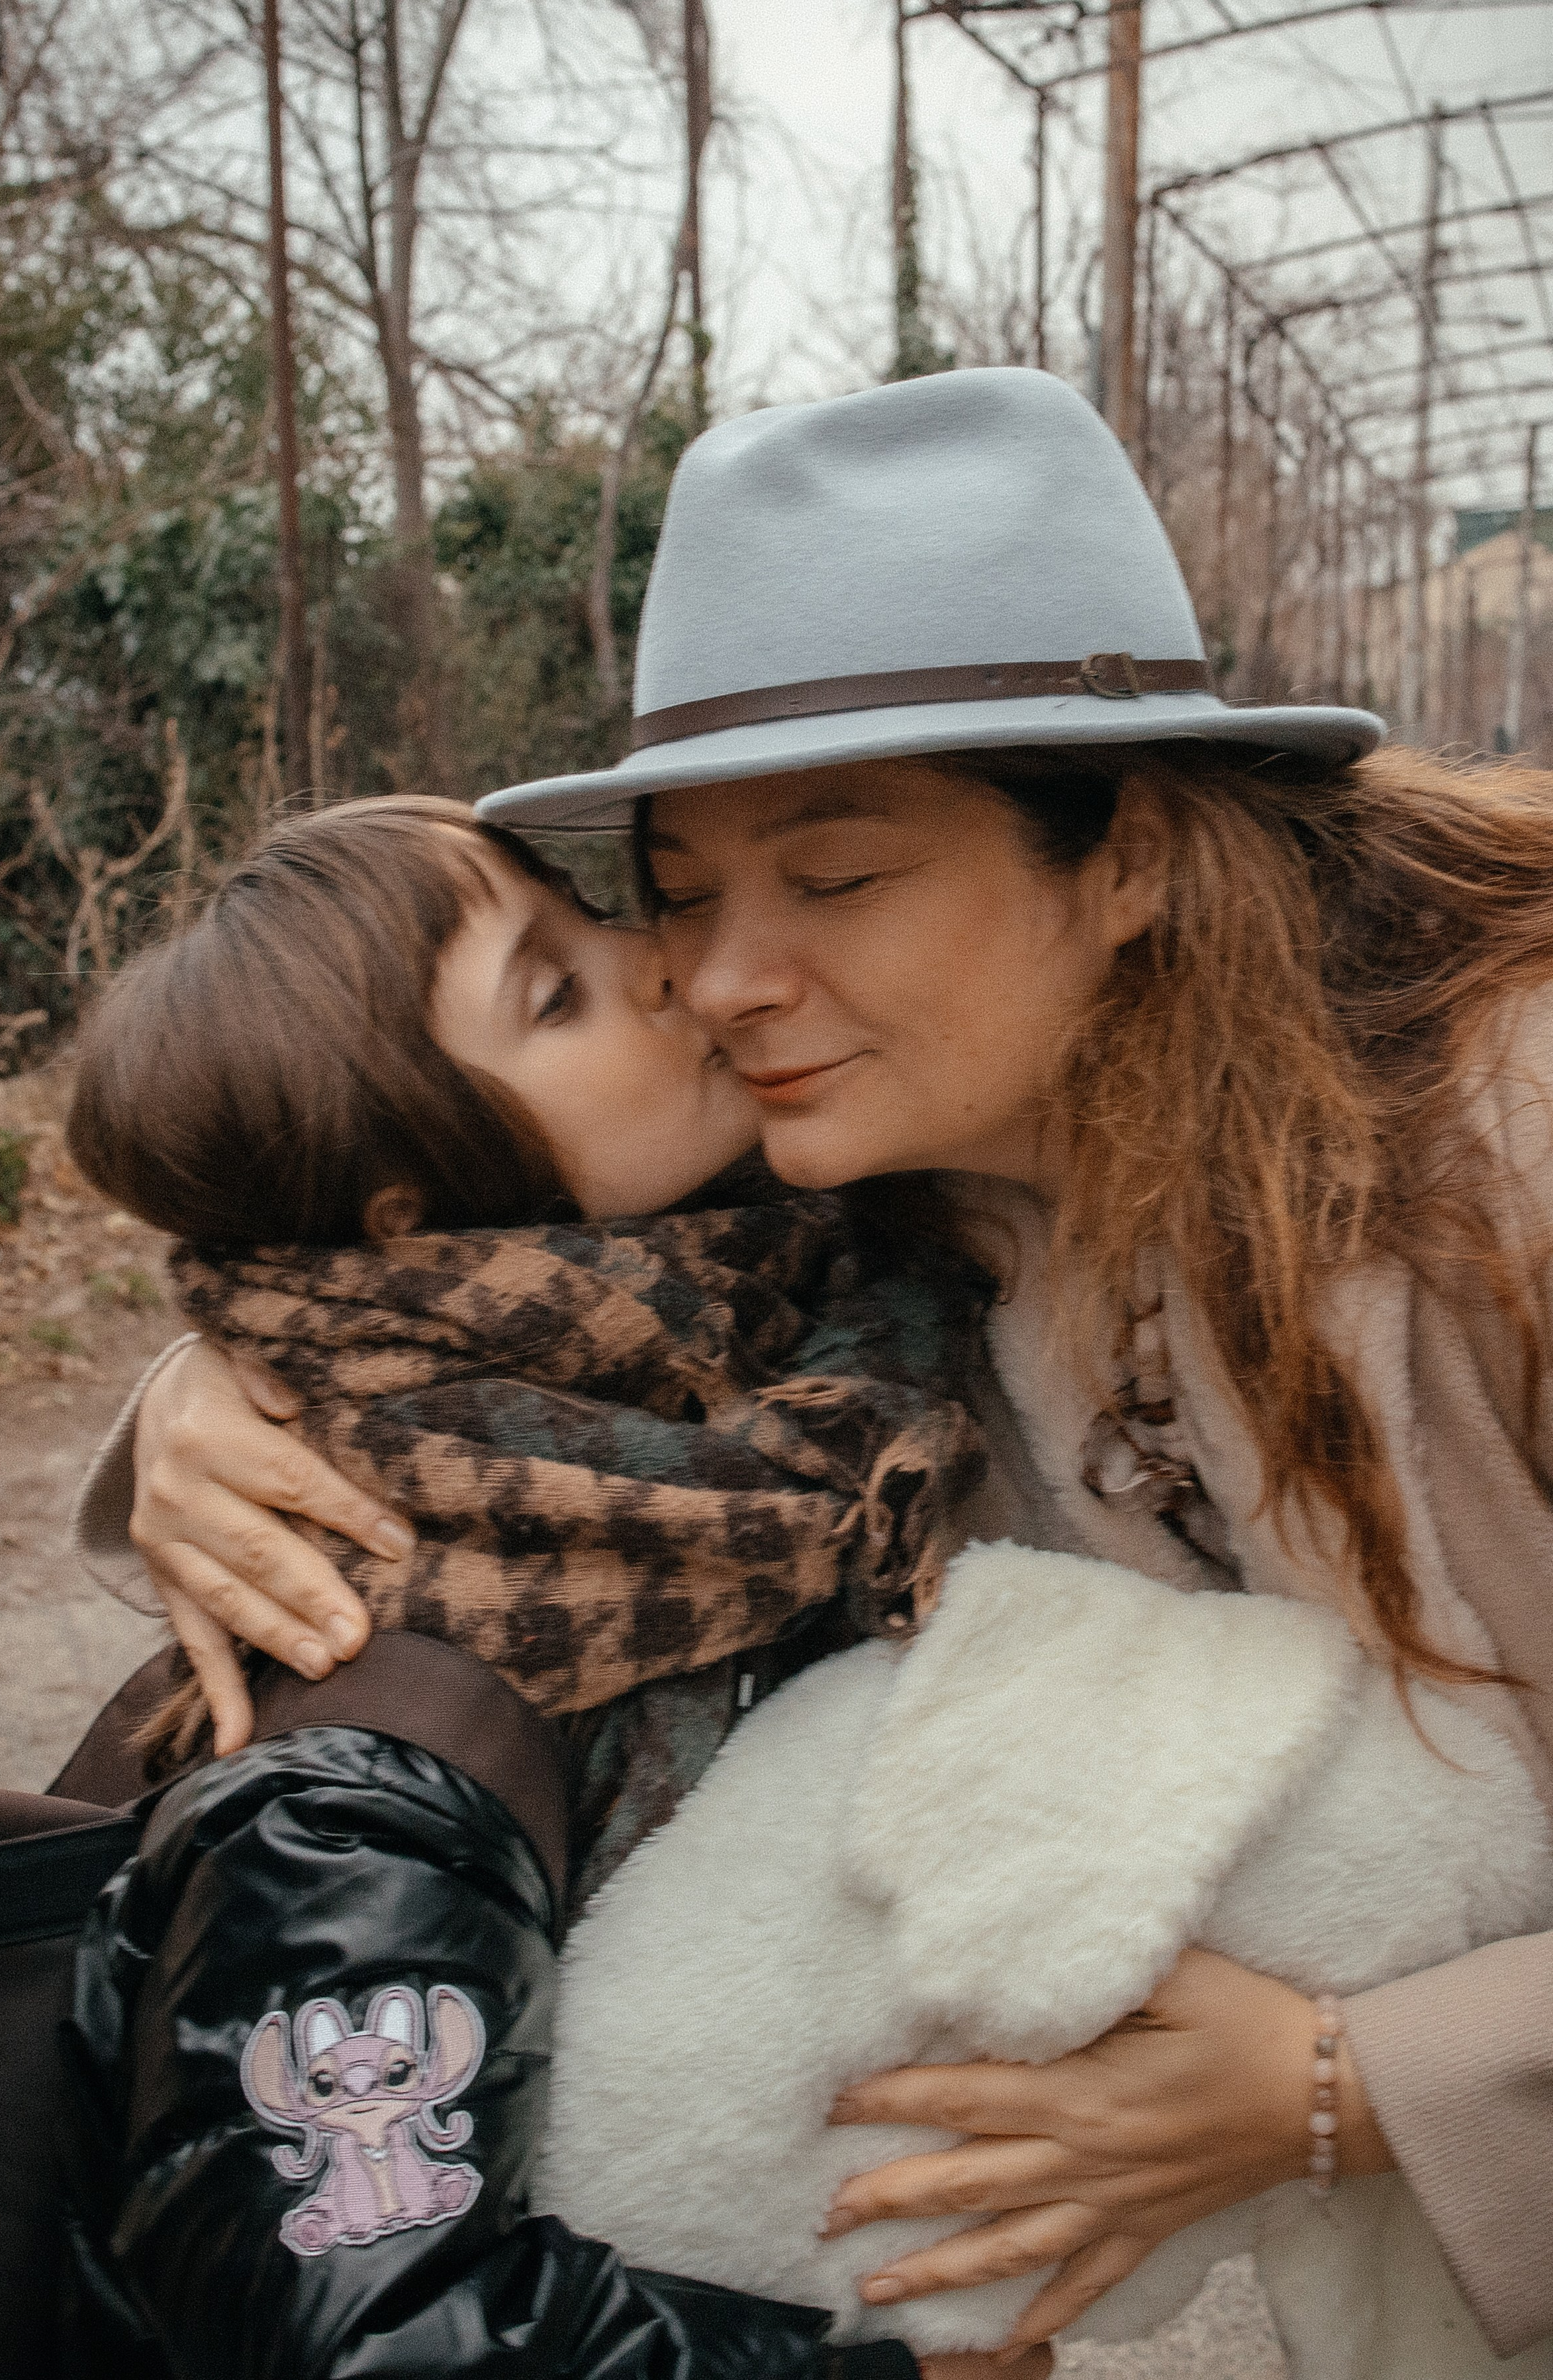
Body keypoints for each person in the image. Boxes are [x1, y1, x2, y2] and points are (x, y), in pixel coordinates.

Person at [79, 367, 1553, 2369]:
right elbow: (498, 1295)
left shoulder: (1506, 1145)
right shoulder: (906, 1211)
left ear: (1126, 854)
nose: (717, 977)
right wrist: (207, 1388)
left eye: (837, 874)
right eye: (678, 890)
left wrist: (1347, 2079)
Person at [56, 791, 992, 2379]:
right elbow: (363, 2331)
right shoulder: (385, 1697)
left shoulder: (778, 1365)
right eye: (552, 989)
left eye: (591, 914)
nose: (661, 966)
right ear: (408, 1210)